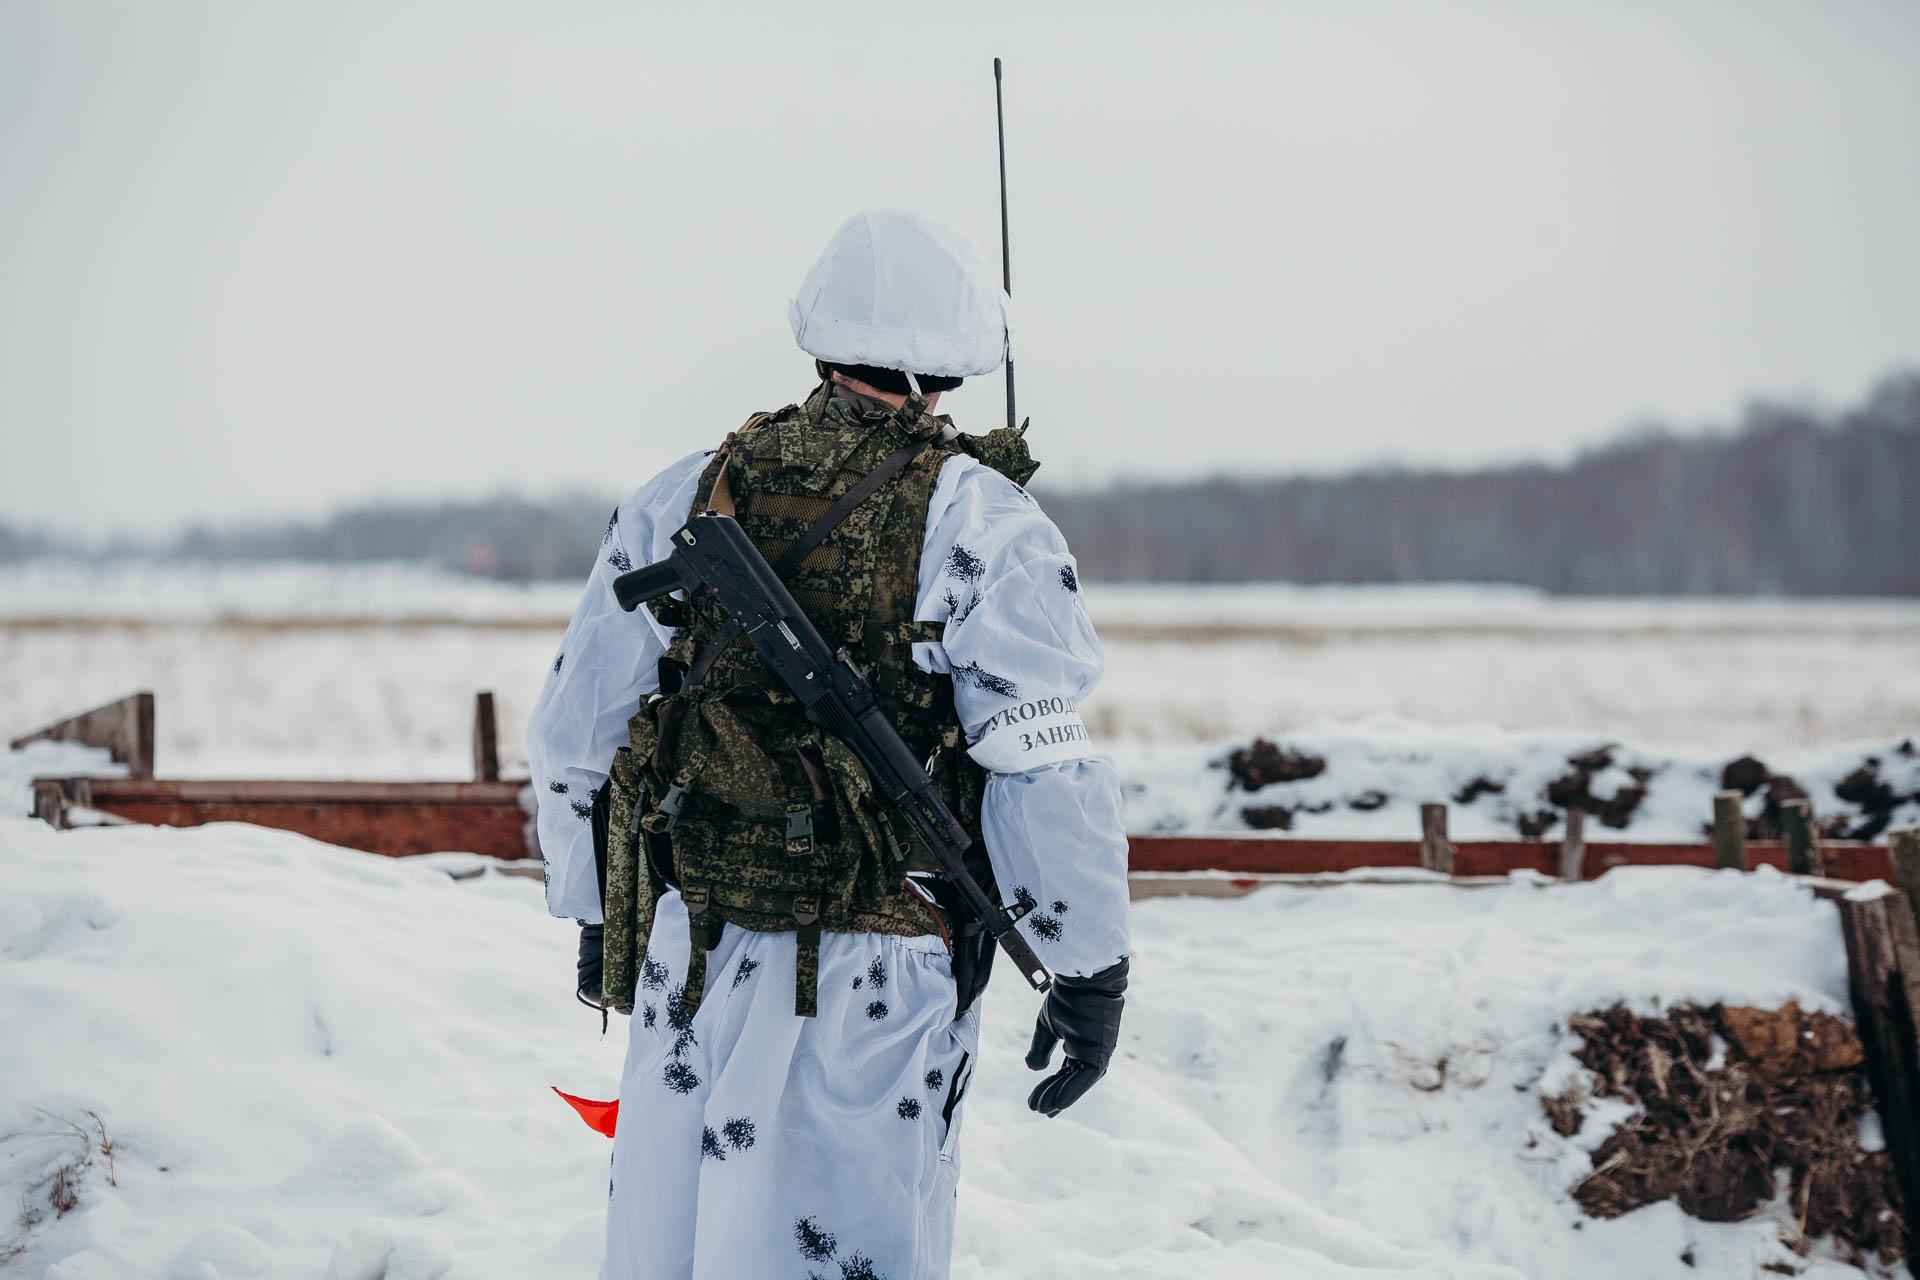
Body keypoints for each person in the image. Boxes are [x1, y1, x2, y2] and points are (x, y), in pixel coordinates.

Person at [527, 209, 1131, 1280]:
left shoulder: (688, 489)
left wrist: (593, 908)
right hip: (876, 969)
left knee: (675, 1250)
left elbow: (579, 727)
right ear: (956, 354)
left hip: (694, 947)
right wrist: (1089, 966)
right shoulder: (982, 518)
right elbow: (1039, 762)